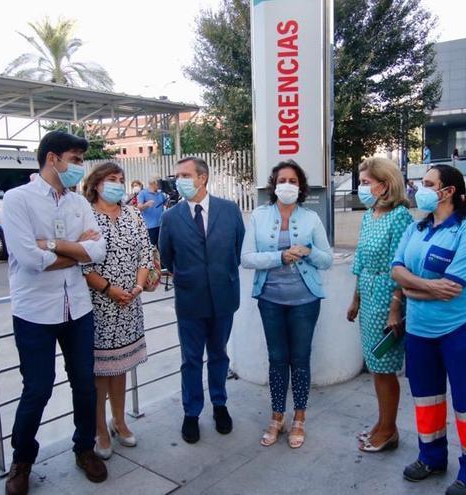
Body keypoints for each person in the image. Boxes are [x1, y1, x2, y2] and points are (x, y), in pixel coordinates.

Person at [2, 131, 108, 495]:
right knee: (37, 388)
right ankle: (22, 461)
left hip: (77, 307)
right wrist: (77, 252)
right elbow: (30, 260)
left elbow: (99, 251)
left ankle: (85, 448)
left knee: (84, 384)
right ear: (52, 158)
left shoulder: (78, 204)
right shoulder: (18, 200)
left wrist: (55, 246)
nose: (79, 167)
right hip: (35, 312)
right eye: (75, 159)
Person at [391, 164, 466, 495]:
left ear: (448, 191)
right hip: (420, 330)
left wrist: (413, 287)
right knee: (426, 398)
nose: (420, 188)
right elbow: (397, 270)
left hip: (460, 328)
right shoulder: (417, 229)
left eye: (428, 183)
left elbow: (454, 287)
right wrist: (425, 287)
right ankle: (431, 457)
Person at [241, 160, 333, 449]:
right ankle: (277, 416)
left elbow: (327, 260)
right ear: (274, 184)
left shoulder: (311, 219)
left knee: (301, 360)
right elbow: (246, 258)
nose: (288, 185)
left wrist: (307, 251)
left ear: (301, 186)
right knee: (277, 359)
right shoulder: (258, 215)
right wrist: (279, 257)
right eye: (283, 179)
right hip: (270, 299)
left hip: (305, 301)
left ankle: (300, 418)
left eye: (293, 180)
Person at [159, 156, 245, 444]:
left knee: (219, 355)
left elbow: (237, 246)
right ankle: (191, 413)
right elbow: (167, 257)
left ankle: (219, 405)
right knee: (191, 360)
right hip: (190, 300)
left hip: (223, 297)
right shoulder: (170, 217)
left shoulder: (230, 210)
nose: (179, 179)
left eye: (185, 174)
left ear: (202, 178)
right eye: (177, 175)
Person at [82, 162, 153, 459]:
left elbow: (145, 252)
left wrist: (137, 287)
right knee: (101, 373)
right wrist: (110, 289)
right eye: (112, 179)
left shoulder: (133, 214)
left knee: (121, 369)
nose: (118, 184)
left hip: (130, 305)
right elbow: (83, 263)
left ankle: (119, 421)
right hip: (99, 307)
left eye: (121, 179)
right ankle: (100, 429)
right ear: (97, 183)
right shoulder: (85, 215)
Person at [347, 157, 413, 453]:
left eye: (365, 182)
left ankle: (388, 430)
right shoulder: (368, 215)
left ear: (384, 184)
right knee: (376, 366)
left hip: (388, 299)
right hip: (369, 297)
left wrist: (395, 309)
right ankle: (383, 424)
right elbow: (360, 262)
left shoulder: (400, 217)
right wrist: (355, 299)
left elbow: (401, 265)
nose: (361, 188)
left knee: (384, 367)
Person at [136, 177, 167, 246]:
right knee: (151, 248)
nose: (159, 185)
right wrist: (146, 205)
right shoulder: (143, 193)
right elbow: (138, 208)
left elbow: (168, 204)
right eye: (158, 183)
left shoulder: (160, 194)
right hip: (149, 227)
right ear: (153, 184)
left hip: (161, 225)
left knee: (162, 247)